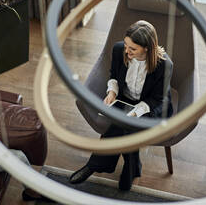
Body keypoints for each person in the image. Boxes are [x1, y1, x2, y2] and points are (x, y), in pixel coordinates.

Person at [69, 20, 173, 191]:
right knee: (124, 123)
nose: (127, 51)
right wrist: (112, 92)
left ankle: (96, 164)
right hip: (125, 99)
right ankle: (131, 168)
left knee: (125, 124)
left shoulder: (164, 65)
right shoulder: (119, 50)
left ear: (147, 48)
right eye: (126, 45)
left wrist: (134, 113)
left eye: (132, 49)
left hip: (152, 106)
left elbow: (157, 99)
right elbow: (114, 75)